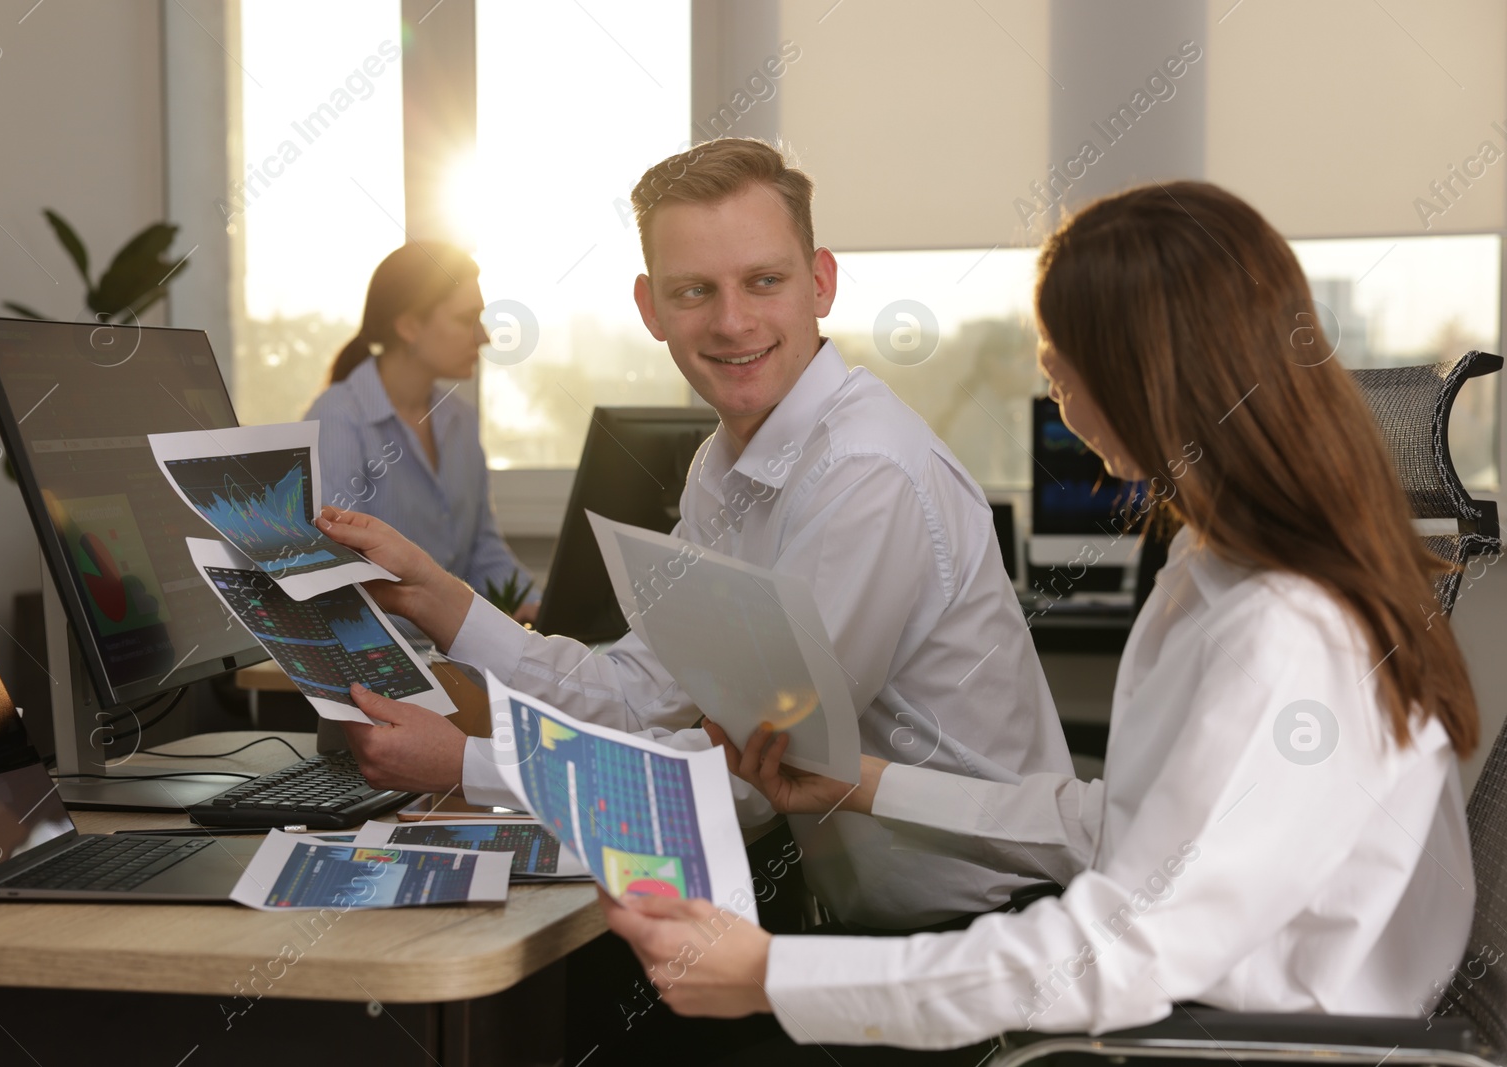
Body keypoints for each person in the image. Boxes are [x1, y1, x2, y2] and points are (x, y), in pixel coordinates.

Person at [599, 180, 1481, 1054]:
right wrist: (866, 783)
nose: (1049, 380)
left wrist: (772, 976)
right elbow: (1116, 834)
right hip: (1180, 1017)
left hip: (1223, 1045)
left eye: (1063, 353)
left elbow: (1126, 945)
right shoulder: (1212, 564)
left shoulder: (1287, 627)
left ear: (1157, 368)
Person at [314, 137, 1073, 932]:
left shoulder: (867, 474)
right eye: (694, 291)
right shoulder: (722, 465)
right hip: (860, 935)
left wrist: (469, 764)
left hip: (989, 953)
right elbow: (640, 691)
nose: (731, 320)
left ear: (821, 283)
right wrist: (448, 603)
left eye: (764, 281)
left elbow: (749, 784)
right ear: (650, 308)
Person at [304, 241, 538, 625]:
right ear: (410, 325)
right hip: (384, 661)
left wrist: (544, 609)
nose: (484, 337)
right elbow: (341, 574)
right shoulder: (338, 418)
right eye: (466, 319)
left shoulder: (459, 419)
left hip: (452, 655)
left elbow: (483, 550)